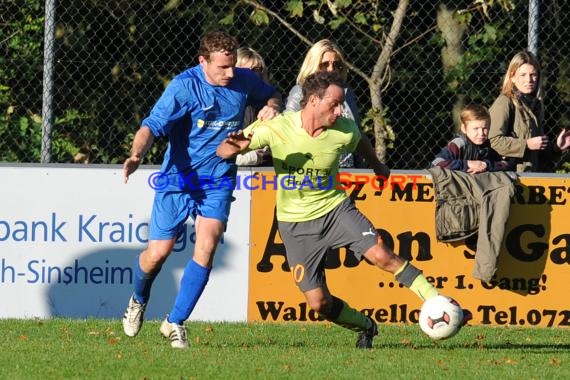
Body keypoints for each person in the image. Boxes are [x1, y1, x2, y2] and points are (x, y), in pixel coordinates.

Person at [217, 71, 471, 348]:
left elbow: (359, 140)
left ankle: (438, 301)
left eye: (341, 104)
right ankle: (366, 326)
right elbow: (224, 151)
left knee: (381, 255)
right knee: (318, 303)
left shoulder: (344, 129)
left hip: (335, 209)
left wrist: (377, 166)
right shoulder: (276, 128)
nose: (339, 110)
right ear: (313, 100)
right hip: (295, 224)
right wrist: (231, 147)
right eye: (334, 104)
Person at [121, 31, 281, 349]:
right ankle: (138, 299)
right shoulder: (184, 87)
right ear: (203, 61)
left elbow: (271, 93)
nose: (231, 73)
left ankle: (175, 322)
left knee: (206, 247)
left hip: (218, 180)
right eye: (223, 67)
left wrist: (271, 106)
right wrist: (136, 155)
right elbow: (150, 126)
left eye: (233, 65)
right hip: (178, 181)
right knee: (157, 255)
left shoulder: (243, 79)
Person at [488, 50, 570, 172]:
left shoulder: (535, 105)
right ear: (512, 77)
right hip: (508, 179)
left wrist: (556, 148)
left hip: (531, 175)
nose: (529, 80)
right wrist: (526, 144)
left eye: (533, 74)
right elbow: (492, 141)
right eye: (523, 75)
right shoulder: (504, 103)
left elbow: (537, 150)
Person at [285, 39, 362, 168]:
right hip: (313, 169)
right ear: (313, 64)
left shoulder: (347, 93)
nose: (331, 69)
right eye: (325, 64)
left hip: (348, 170)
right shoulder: (300, 92)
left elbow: (358, 135)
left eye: (336, 65)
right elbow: (288, 129)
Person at [431, 104, 513, 172]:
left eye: (485, 128)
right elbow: (436, 163)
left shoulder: (488, 145)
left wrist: (485, 165)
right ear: (464, 129)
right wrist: (468, 164)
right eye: (476, 129)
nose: (481, 133)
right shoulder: (458, 144)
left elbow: (504, 164)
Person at [235, 47, 272, 166]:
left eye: (256, 69)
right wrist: (254, 156)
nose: (252, 75)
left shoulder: (270, 106)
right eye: (245, 70)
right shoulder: (226, 106)